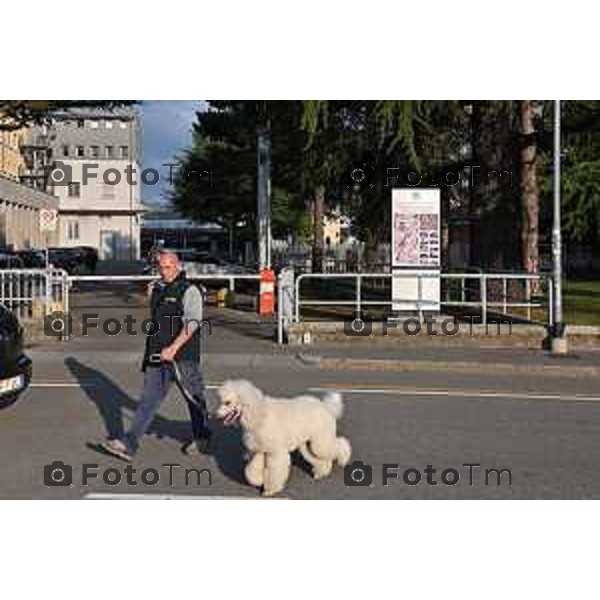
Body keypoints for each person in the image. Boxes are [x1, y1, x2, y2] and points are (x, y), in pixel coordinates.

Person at [100, 251, 211, 461]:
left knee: (193, 398)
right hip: (156, 354)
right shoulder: (157, 288)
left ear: (177, 266)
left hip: (182, 356)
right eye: (160, 267)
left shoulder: (190, 290)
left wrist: (174, 348)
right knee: (148, 400)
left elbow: (193, 323)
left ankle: (202, 436)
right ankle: (128, 443)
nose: (164, 271)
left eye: (168, 267)